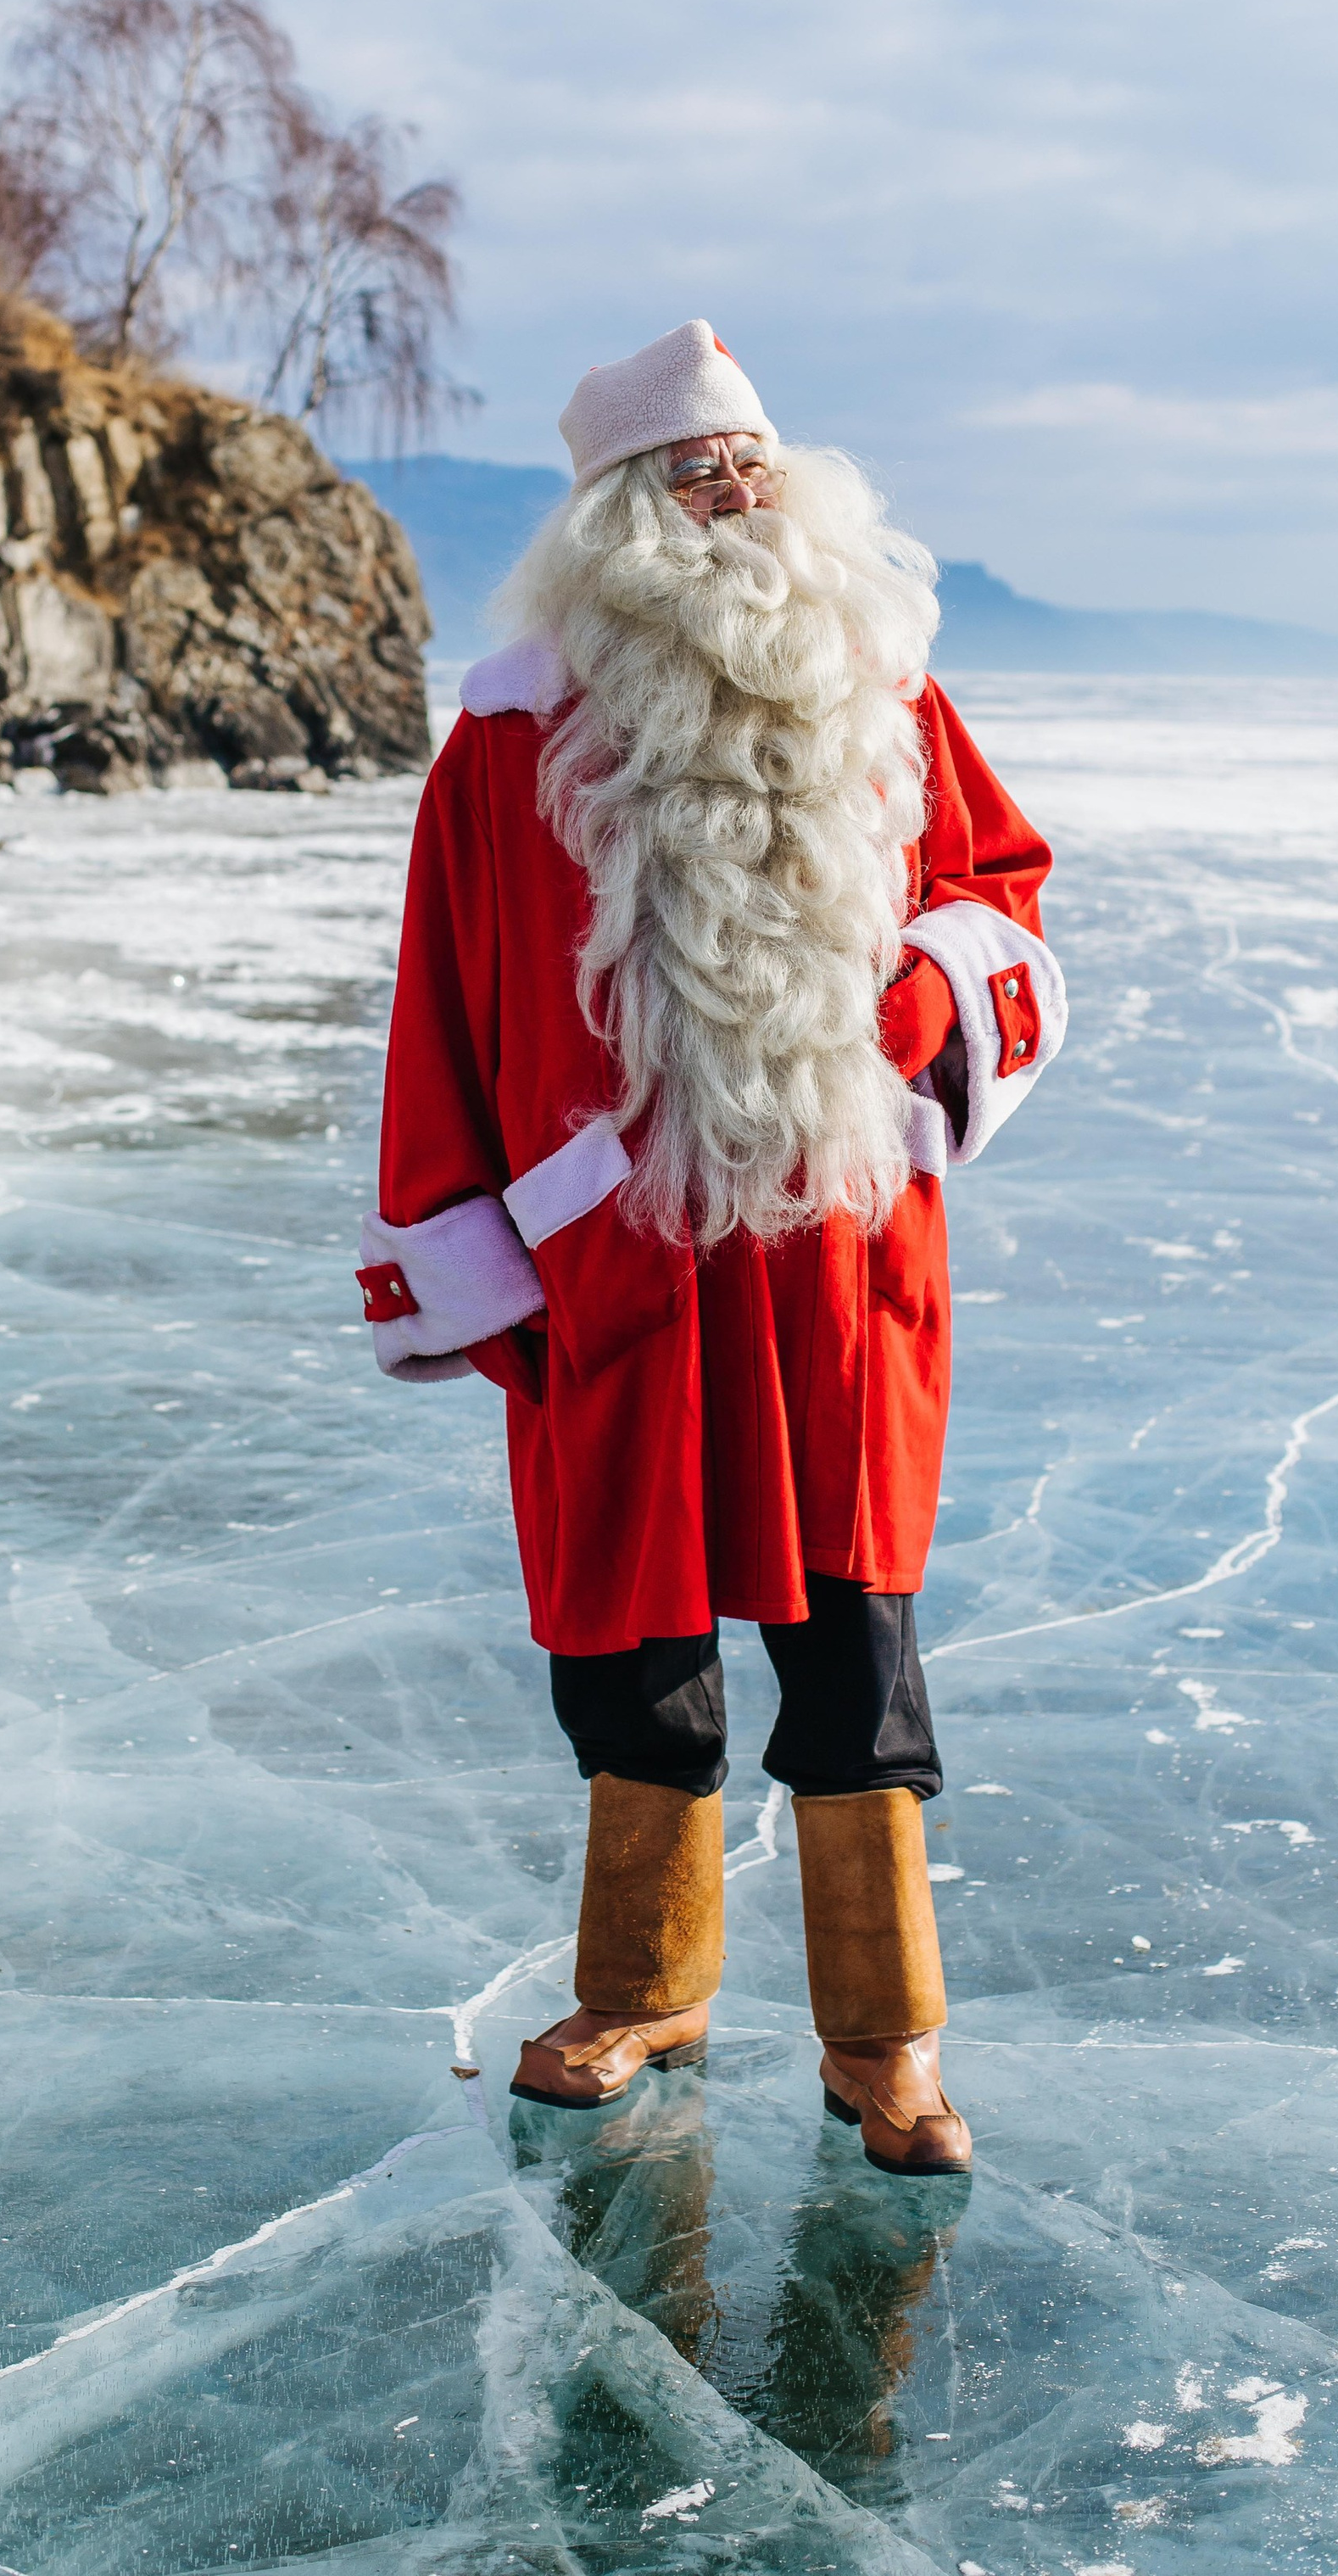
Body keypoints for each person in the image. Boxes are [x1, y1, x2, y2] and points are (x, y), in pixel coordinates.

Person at [359, 321, 1064, 2176]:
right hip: (616, 1256)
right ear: (611, 525)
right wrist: (463, 1249)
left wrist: (930, 1000)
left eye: (751, 464)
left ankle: (881, 2040)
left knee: (848, 1636)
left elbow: (999, 890)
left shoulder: (885, 693)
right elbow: (436, 1006)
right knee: (628, 1641)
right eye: (693, 477)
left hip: (832, 1244)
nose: (734, 498)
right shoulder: (504, 747)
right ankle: (642, 1988)